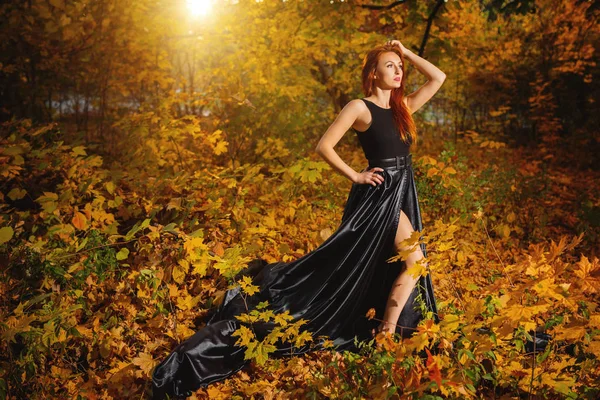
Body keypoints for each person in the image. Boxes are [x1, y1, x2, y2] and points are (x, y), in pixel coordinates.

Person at [151, 39, 446, 399]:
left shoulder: (404, 108)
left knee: (401, 264)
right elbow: (324, 146)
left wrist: (405, 52)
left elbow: (438, 77)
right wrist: (356, 175)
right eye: (390, 65)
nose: (398, 71)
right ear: (373, 73)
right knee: (415, 262)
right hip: (379, 197)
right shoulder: (360, 107)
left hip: (403, 193)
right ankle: (385, 335)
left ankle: (385, 331)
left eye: (400, 67)